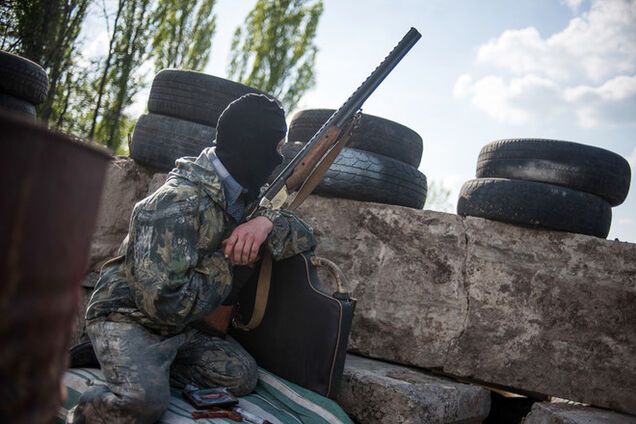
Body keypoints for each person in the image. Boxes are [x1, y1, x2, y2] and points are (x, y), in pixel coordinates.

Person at [70, 94, 316, 423]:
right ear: (249, 144)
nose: (278, 157)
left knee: (241, 375)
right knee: (143, 404)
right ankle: (89, 400)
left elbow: (306, 238)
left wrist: (265, 223)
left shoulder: (244, 191)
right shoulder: (173, 203)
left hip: (182, 328)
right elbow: (162, 306)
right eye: (275, 146)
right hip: (129, 318)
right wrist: (230, 261)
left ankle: (139, 365)